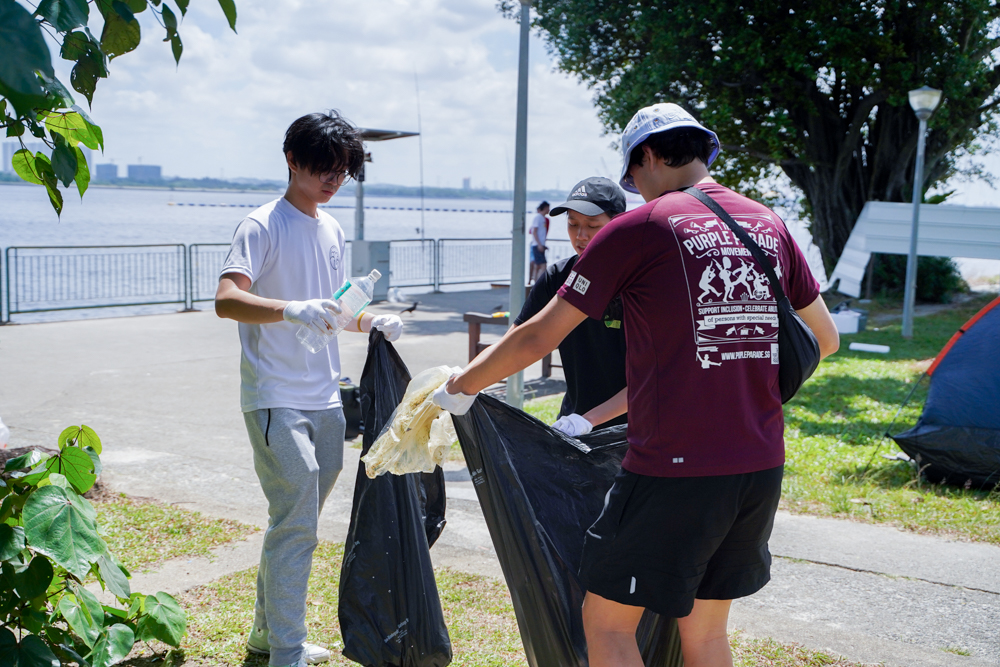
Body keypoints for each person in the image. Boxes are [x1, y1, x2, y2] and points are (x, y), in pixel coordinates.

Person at [432, 102, 839, 667]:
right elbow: (826, 338)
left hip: (674, 468)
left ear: (647, 156)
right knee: (706, 634)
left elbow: (538, 335)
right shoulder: (767, 223)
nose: (638, 190)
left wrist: (461, 385)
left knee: (607, 626)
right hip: (760, 462)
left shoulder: (641, 227)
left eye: (633, 176)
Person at [215, 110, 404, 667]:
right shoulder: (261, 225)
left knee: (294, 524)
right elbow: (227, 299)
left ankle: (265, 635)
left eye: (342, 171)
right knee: (296, 525)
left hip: (326, 398)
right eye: (323, 168)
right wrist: (289, 309)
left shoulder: (332, 229)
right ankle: (286, 649)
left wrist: (370, 320)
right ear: (292, 160)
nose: (333, 180)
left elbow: (335, 307)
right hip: (275, 397)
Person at [511, 177, 628, 434]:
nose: (580, 235)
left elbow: (657, 377)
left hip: (636, 430)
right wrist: (463, 381)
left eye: (592, 225)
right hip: (573, 420)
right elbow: (518, 341)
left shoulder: (640, 281)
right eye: (572, 224)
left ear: (619, 225)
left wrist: (588, 420)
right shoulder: (557, 277)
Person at [528, 201, 551, 283]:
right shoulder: (538, 217)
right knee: (543, 265)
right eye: (548, 208)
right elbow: (534, 231)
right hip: (537, 245)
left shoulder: (543, 218)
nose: (549, 210)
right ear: (545, 208)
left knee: (537, 266)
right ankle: (538, 283)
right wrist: (539, 244)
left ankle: (535, 284)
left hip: (539, 245)